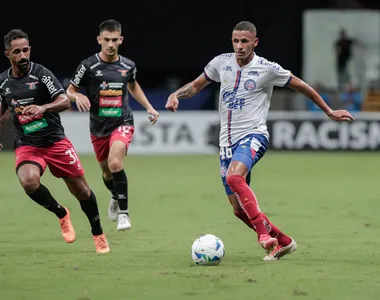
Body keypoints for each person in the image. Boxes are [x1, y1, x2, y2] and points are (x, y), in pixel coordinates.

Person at [165, 21, 354, 260]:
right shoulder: (220, 63)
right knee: (238, 209)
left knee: (235, 177)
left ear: (255, 42)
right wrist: (176, 94)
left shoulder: (267, 69)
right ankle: (284, 242)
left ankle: (263, 236)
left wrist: (328, 111)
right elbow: (195, 86)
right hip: (226, 143)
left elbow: (302, 86)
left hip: (253, 135)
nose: (239, 46)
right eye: (236, 41)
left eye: (245, 41)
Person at [0, 29, 110, 254]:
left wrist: (42, 107)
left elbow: (63, 101)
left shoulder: (41, 73)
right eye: (17, 52)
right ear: (8, 54)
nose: (23, 56)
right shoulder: (3, 82)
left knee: (81, 190)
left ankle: (97, 232)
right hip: (27, 144)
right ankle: (61, 213)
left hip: (55, 142)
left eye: (26, 50)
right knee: (28, 181)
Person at [66, 19, 159, 231]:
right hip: (98, 127)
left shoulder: (128, 66)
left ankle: (124, 215)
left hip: (122, 122)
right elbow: (69, 90)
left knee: (116, 163)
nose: (110, 44)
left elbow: (133, 86)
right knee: (107, 173)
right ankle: (115, 196)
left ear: (121, 40)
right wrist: (76, 97)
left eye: (114, 40)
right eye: (106, 39)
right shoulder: (88, 66)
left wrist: (149, 107)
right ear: (99, 39)